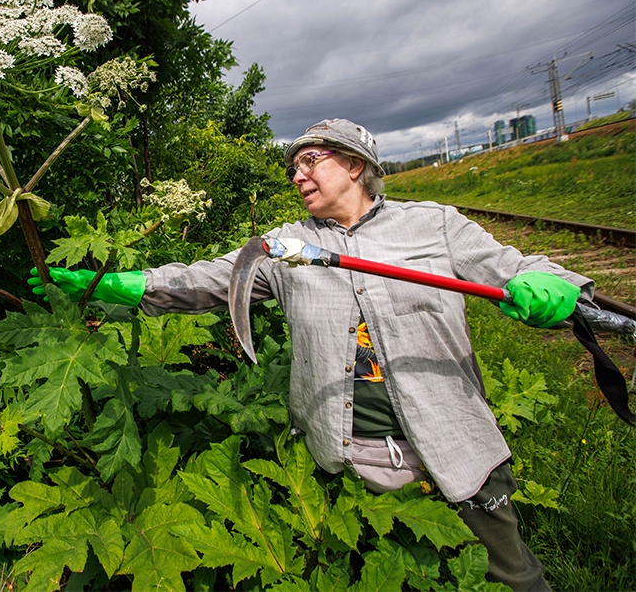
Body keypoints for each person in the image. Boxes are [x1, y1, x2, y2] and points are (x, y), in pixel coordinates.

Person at [31, 118, 589, 591]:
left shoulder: (435, 225)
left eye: (310, 161)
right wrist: (118, 283)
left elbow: (517, 267)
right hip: (346, 463)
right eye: (293, 167)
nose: (297, 176)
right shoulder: (285, 247)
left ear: (353, 164)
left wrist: (548, 283)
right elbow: (209, 280)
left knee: (514, 579)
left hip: (455, 451)